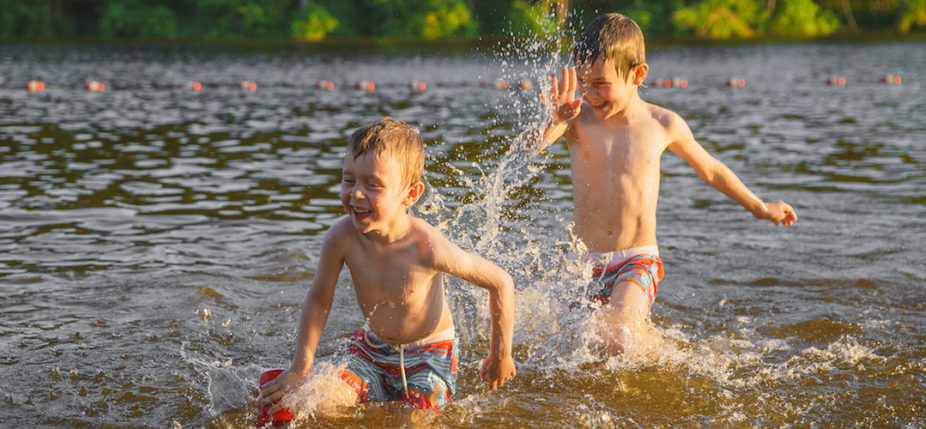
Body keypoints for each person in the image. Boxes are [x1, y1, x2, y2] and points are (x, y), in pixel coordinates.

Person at [528, 13, 797, 353]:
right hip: (584, 263)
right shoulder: (576, 119)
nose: (590, 94)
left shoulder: (661, 124)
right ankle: (659, 347)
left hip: (636, 258)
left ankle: (657, 356)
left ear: (637, 74)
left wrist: (760, 207)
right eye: (583, 82)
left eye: (600, 83)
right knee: (574, 347)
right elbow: (528, 148)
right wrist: (551, 119)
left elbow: (710, 169)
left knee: (618, 337)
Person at [257, 117, 516, 422]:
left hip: (430, 356)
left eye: (373, 185)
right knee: (317, 404)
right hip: (372, 348)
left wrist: (501, 355)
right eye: (348, 180)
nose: (355, 194)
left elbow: (501, 282)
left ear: (410, 194)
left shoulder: (426, 247)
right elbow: (319, 299)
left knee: (416, 422)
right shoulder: (341, 238)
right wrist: (301, 368)